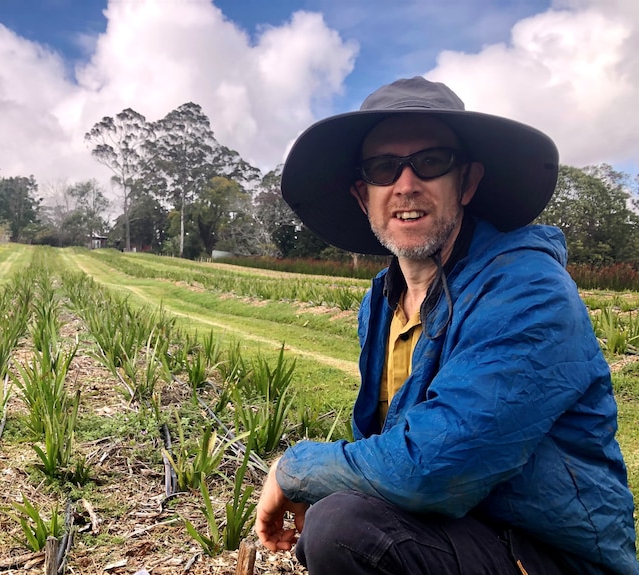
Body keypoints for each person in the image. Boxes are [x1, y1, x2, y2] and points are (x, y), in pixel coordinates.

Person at [255, 76, 638, 574]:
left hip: (551, 553)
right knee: (329, 528)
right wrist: (331, 484)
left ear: (468, 182)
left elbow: (433, 468)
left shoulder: (527, 289)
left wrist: (296, 470)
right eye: (383, 168)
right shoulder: (381, 300)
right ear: (361, 193)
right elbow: (386, 444)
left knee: (342, 531)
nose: (406, 184)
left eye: (431, 162)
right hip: (464, 532)